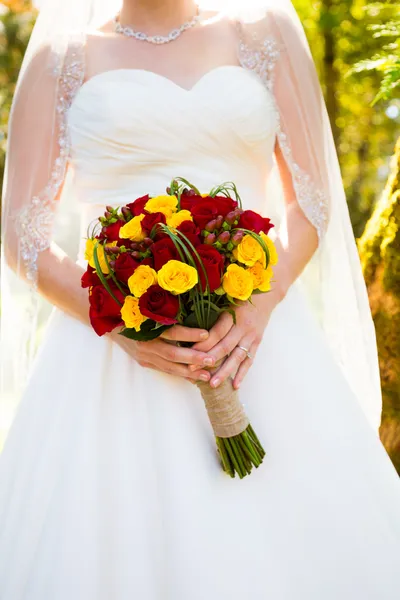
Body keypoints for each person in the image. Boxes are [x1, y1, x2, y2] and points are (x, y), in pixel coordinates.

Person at [1, 0, 400, 598]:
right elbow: (22, 234)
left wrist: (261, 301)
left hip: (258, 336)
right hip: (110, 355)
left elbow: (310, 204)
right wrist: (115, 322)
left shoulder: (264, 33)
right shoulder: (63, 58)